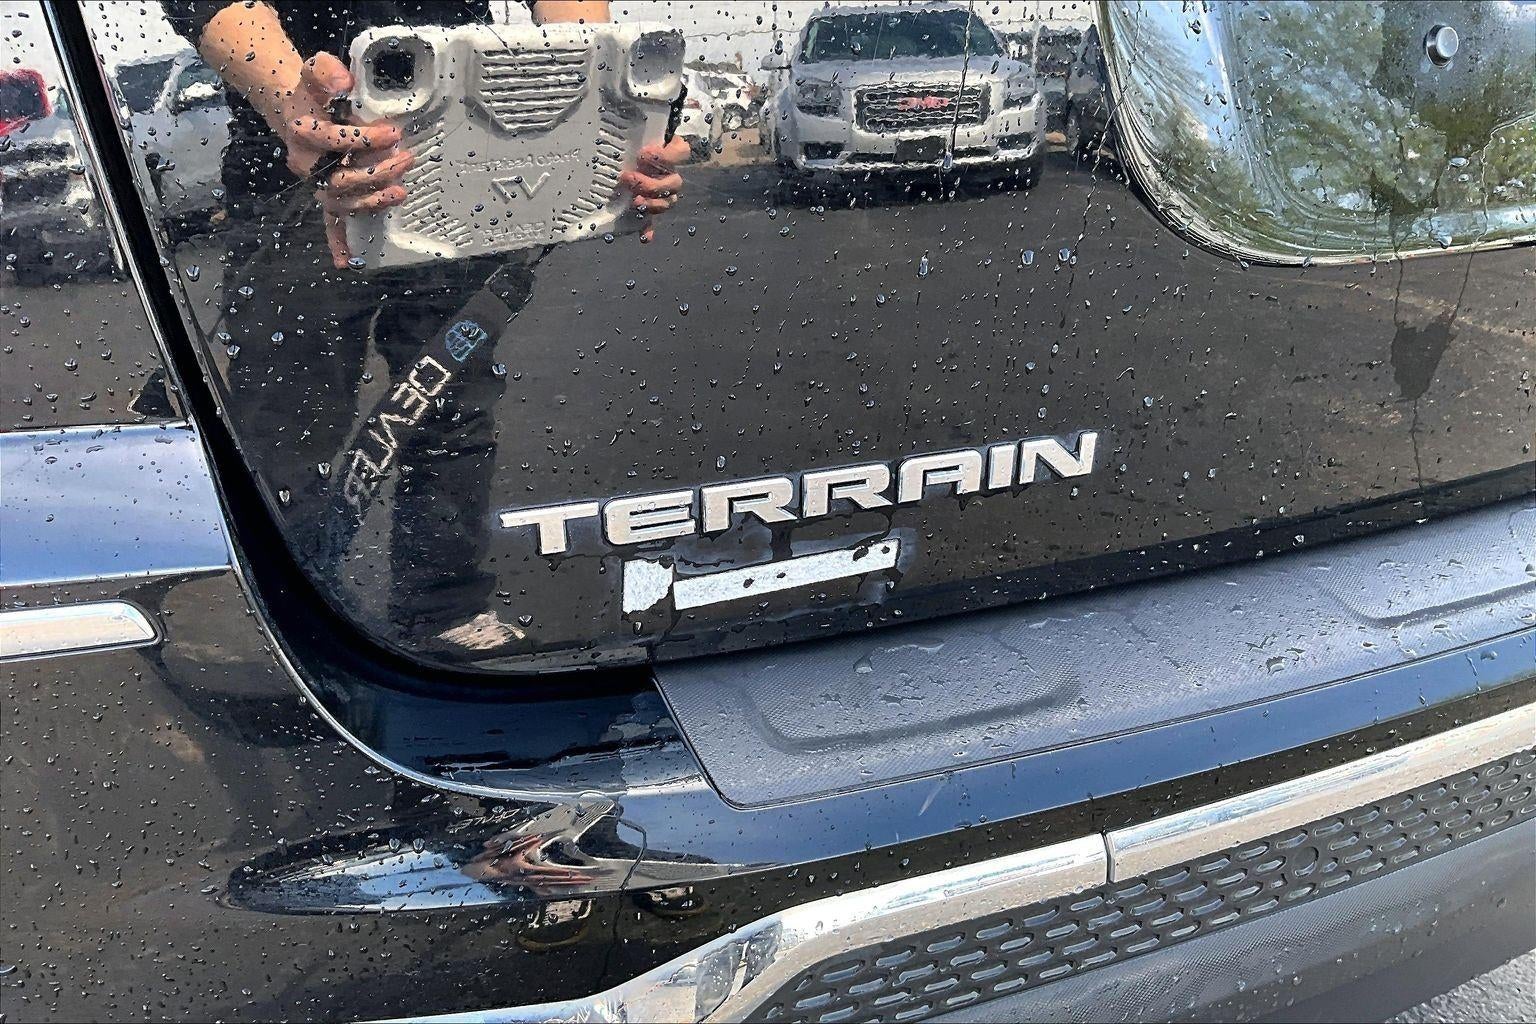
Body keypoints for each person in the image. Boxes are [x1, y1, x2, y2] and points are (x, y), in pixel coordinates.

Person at [163, 1, 688, 656]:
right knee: (288, 423)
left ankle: (442, 607)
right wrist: (292, 105)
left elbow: (574, 20)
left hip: (460, 155)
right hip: (300, 183)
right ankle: (286, 615)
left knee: (452, 406)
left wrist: (608, 119)